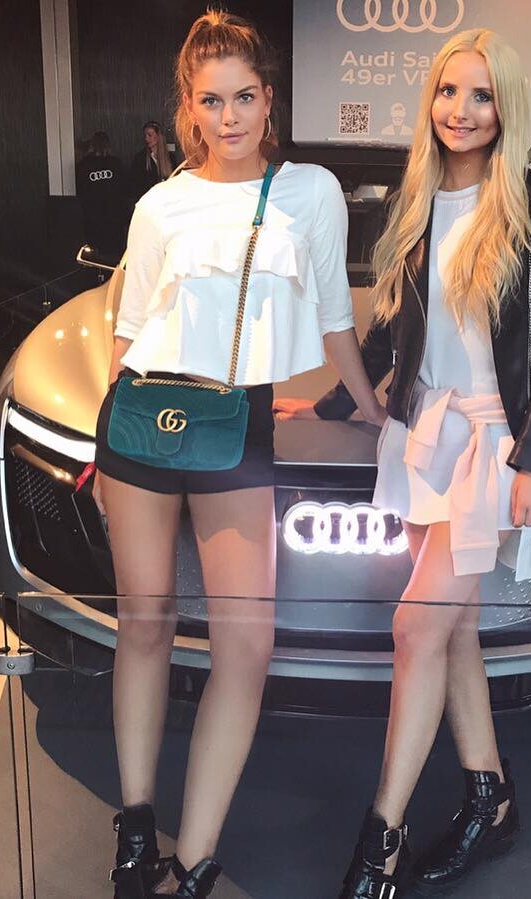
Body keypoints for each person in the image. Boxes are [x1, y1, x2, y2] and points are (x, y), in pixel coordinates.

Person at [275, 28, 531, 898]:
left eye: (480, 95)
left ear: (505, 106)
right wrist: (331, 405)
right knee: (449, 627)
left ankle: (380, 836)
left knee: (415, 625)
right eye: (449, 91)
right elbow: (389, 328)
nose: (461, 110)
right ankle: (489, 796)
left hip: (492, 445)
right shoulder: (412, 201)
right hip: (420, 438)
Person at [93, 11, 385, 899]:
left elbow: (333, 315)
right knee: (143, 621)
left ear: (269, 100)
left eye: (244, 97)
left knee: (246, 643)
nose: (229, 117)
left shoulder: (308, 191)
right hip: (141, 422)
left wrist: (370, 407)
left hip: (236, 423)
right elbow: (129, 331)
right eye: (211, 101)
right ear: (187, 108)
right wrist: (102, 444)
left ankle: (195, 859)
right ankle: (135, 828)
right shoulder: (160, 205)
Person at [77, 130, 129, 258]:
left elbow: (81, 191)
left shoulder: (83, 165)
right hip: (114, 216)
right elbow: (123, 189)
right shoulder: (115, 163)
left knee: (94, 254)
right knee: (113, 254)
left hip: (93, 216)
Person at [131, 120, 174, 200]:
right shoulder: (140, 158)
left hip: (167, 199)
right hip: (149, 200)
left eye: (149, 135)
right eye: (145, 136)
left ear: (158, 136)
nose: (146, 139)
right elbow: (135, 185)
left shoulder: (170, 157)